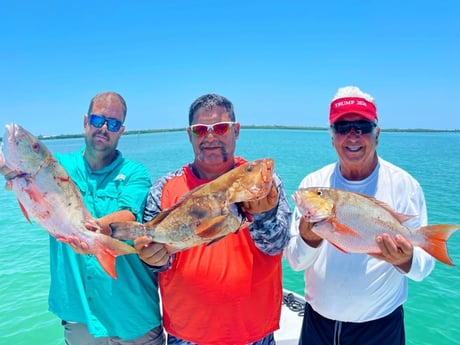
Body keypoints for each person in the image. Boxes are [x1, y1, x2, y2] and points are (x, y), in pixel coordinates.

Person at [134, 93, 291, 345]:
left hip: (254, 333)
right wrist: (152, 258)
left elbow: (277, 245)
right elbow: (159, 263)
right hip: (187, 335)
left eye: (220, 128)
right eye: (200, 130)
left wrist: (263, 213)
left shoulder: (264, 183)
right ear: (189, 135)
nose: (210, 137)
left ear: (236, 131)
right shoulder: (163, 188)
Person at [284, 86, 435, 345]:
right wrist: (310, 239)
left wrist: (406, 259)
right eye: (342, 128)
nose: (352, 136)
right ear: (332, 137)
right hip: (317, 324)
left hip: (380, 328)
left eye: (362, 127)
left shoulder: (405, 185)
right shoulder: (314, 184)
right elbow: (296, 263)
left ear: (377, 134)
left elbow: (423, 269)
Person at [48, 91, 165, 345]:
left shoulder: (135, 172)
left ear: (121, 130)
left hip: (133, 316)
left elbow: (129, 213)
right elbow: (24, 174)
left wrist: (89, 231)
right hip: (81, 318)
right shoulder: (55, 167)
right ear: (85, 121)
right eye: (97, 119)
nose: (103, 128)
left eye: (112, 124)